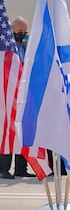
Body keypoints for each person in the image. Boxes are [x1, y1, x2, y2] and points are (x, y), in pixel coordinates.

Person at [0, 16, 33, 179]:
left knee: (22, 131)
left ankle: (21, 168)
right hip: (6, 95)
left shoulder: (27, 47)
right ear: (11, 30)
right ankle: (3, 168)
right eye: (19, 31)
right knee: (6, 132)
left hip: (23, 94)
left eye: (25, 32)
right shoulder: (4, 48)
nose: (22, 34)